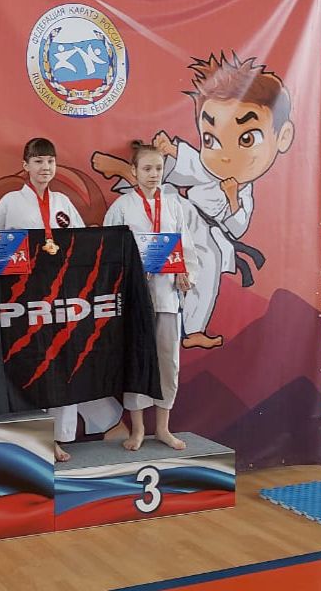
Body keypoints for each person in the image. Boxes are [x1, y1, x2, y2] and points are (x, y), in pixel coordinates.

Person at [92, 52, 293, 349]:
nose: (225, 154)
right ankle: (129, 171)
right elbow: (187, 168)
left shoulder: (241, 189)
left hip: (200, 230)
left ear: (283, 136)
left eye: (246, 139)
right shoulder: (198, 170)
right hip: (183, 214)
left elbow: (236, 228)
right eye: (210, 139)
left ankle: (195, 328)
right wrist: (171, 151)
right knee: (162, 195)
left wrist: (232, 198)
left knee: (207, 259)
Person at [0, 137, 122, 462]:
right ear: (25, 165)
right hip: (23, 300)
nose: (45, 167)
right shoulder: (10, 202)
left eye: (50, 161)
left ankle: (59, 437)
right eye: (38, 161)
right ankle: (36, 436)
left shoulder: (62, 202)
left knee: (63, 362)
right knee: (32, 365)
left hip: (61, 297)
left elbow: (81, 243)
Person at [103, 142, 198, 451]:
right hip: (136, 298)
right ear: (134, 171)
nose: (153, 174)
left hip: (168, 295)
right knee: (137, 360)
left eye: (158, 168)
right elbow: (109, 249)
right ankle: (138, 429)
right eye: (147, 168)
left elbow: (185, 246)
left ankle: (163, 428)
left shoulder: (174, 206)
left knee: (168, 361)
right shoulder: (121, 207)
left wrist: (184, 272)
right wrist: (130, 272)